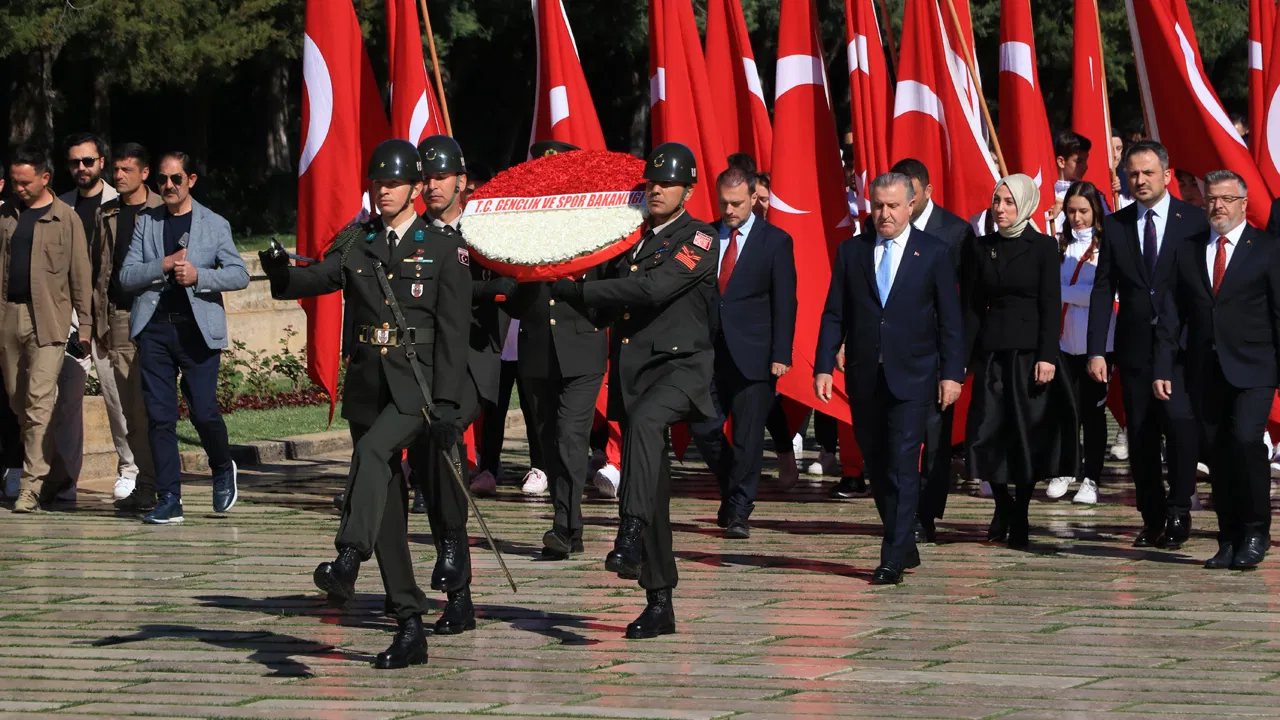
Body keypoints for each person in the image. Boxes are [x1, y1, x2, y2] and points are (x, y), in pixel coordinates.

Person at [261, 139, 470, 668]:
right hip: (369, 388)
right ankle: (409, 625)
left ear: (417, 189)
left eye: (394, 184)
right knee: (386, 514)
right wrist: (279, 270)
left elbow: (452, 333)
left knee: (373, 456)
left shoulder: (442, 247)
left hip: (416, 391)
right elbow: (313, 280)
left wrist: (447, 404)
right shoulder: (358, 243)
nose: (384, 191)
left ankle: (348, 556)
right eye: (378, 183)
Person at [552, 141, 718, 639]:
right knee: (654, 487)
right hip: (636, 375)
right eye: (652, 182)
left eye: (668, 183)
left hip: (681, 371)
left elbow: (653, 290)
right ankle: (659, 601)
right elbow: (612, 306)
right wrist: (564, 279)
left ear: (688, 189)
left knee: (646, 428)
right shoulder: (631, 240)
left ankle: (627, 532)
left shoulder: (701, 239)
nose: (657, 190)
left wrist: (582, 291)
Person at [815, 172, 963, 585]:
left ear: (910, 205)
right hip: (864, 377)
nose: (884, 214)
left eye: (893, 206)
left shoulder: (932, 252)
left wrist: (951, 374)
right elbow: (834, 313)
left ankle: (890, 558)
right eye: (878, 205)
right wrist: (824, 364)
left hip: (914, 376)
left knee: (901, 463)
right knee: (877, 465)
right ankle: (903, 542)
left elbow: (951, 321)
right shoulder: (853, 252)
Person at [407, 134, 515, 636]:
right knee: (432, 467)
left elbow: (510, 284)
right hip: (423, 363)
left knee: (444, 441)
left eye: (441, 178)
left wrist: (458, 288)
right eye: (425, 178)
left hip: (472, 362)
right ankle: (458, 592)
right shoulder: (411, 234)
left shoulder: (482, 230)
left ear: (461, 182)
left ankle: (452, 553)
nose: (432, 186)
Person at [1155, 170, 1278, 570]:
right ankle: (1228, 537)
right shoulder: (1189, 250)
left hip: (1255, 368)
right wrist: (1163, 365)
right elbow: (1172, 314)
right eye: (1211, 199)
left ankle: (1257, 529)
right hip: (1204, 369)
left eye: (1226, 199)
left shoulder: (1267, 248)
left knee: (1245, 441)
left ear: (1243, 204)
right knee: (1219, 454)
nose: (1217, 206)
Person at [1088, 140, 1207, 548]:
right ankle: (1152, 515)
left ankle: (1179, 509)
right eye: (1132, 173)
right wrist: (1097, 349)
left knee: (1179, 425)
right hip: (1135, 347)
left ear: (1167, 176)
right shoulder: (1118, 225)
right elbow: (1103, 290)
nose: (1139, 180)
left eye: (1147, 173)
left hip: (1182, 347)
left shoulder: (1193, 221)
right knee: (1140, 435)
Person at [118, 151, 248, 525]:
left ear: (191, 180)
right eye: (162, 180)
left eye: (176, 179)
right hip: (155, 329)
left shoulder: (214, 223)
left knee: (204, 411)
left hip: (196, 331)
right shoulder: (148, 222)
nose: (169, 186)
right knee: (160, 417)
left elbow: (238, 274)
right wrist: (160, 265)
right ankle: (170, 498)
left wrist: (200, 277)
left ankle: (223, 466)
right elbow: (126, 276)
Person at [962, 174, 1078, 550]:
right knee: (986, 432)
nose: (1001, 209)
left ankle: (1023, 511)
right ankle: (1003, 503)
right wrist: (965, 356)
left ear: (1026, 204)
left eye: (1009, 202)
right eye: (997, 201)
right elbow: (973, 307)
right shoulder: (982, 247)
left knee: (1026, 435)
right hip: (993, 352)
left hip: (1030, 355)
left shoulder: (1043, 246)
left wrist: (1047, 356)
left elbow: (1049, 302)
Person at [689, 167, 796, 539]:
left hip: (755, 354)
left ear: (754, 198)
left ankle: (739, 511)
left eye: (736, 203)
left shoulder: (775, 241)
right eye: (723, 203)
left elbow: (786, 302)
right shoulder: (703, 236)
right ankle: (732, 480)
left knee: (748, 438)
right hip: (708, 351)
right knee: (703, 427)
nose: (729, 210)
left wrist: (782, 353)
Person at [0, 146, 92, 513]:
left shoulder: (66, 219)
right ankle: (52, 472)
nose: (19, 188)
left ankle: (31, 485)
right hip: (9, 317)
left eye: (25, 183)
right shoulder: (6, 215)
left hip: (50, 321)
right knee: (18, 402)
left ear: (44, 178)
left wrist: (85, 325)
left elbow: (81, 277)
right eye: (15, 182)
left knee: (39, 402)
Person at [891, 157, 976, 541]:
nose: (902, 203)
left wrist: (956, 366)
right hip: (892, 353)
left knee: (935, 439)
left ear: (926, 191)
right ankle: (899, 511)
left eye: (910, 194)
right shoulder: (880, 225)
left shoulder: (956, 233)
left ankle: (926, 516)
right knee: (896, 439)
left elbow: (966, 305)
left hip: (937, 356)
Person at [98, 143, 162, 513]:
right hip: (119, 317)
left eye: (126, 170)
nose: (118, 176)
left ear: (144, 173)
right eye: (116, 170)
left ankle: (162, 483)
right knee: (130, 411)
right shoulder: (108, 214)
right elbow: (100, 269)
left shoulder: (161, 211)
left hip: (153, 316)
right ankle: (146, 483)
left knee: (153, 407)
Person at [1048, 182, 1114, 506]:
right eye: (1071, 211)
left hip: (1098, 344)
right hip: (1063, 342)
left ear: (1096, 211)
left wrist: (1060, 292)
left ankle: (1092, 477)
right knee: (1066, 407)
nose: (1076, 218)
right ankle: (1066, 469)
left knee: (1093, 411)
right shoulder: (1058, 244)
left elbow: (1099, 294)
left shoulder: (1105, 247)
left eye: (1083, 211)